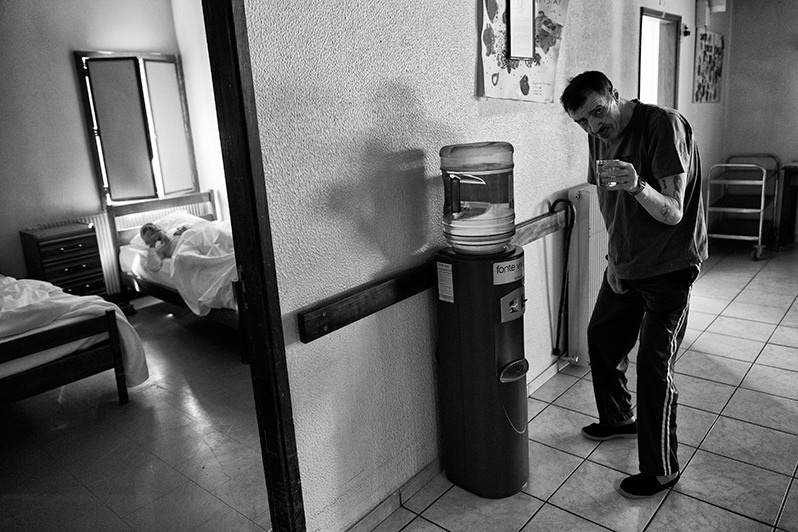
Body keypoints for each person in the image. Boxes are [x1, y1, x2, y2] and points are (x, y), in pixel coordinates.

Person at [560, 71, 708, 498]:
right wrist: (614, 259)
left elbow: (674, 211)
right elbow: (612, 206)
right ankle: (618, 418)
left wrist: (638, 183)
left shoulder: (662, 124)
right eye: (581, 122)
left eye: (597, 113)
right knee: (601, 339)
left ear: (614, 95)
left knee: (654, 365)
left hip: (671, 266)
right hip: (627, 265)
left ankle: (661, 469)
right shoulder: (597, 136)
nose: (593, 128)